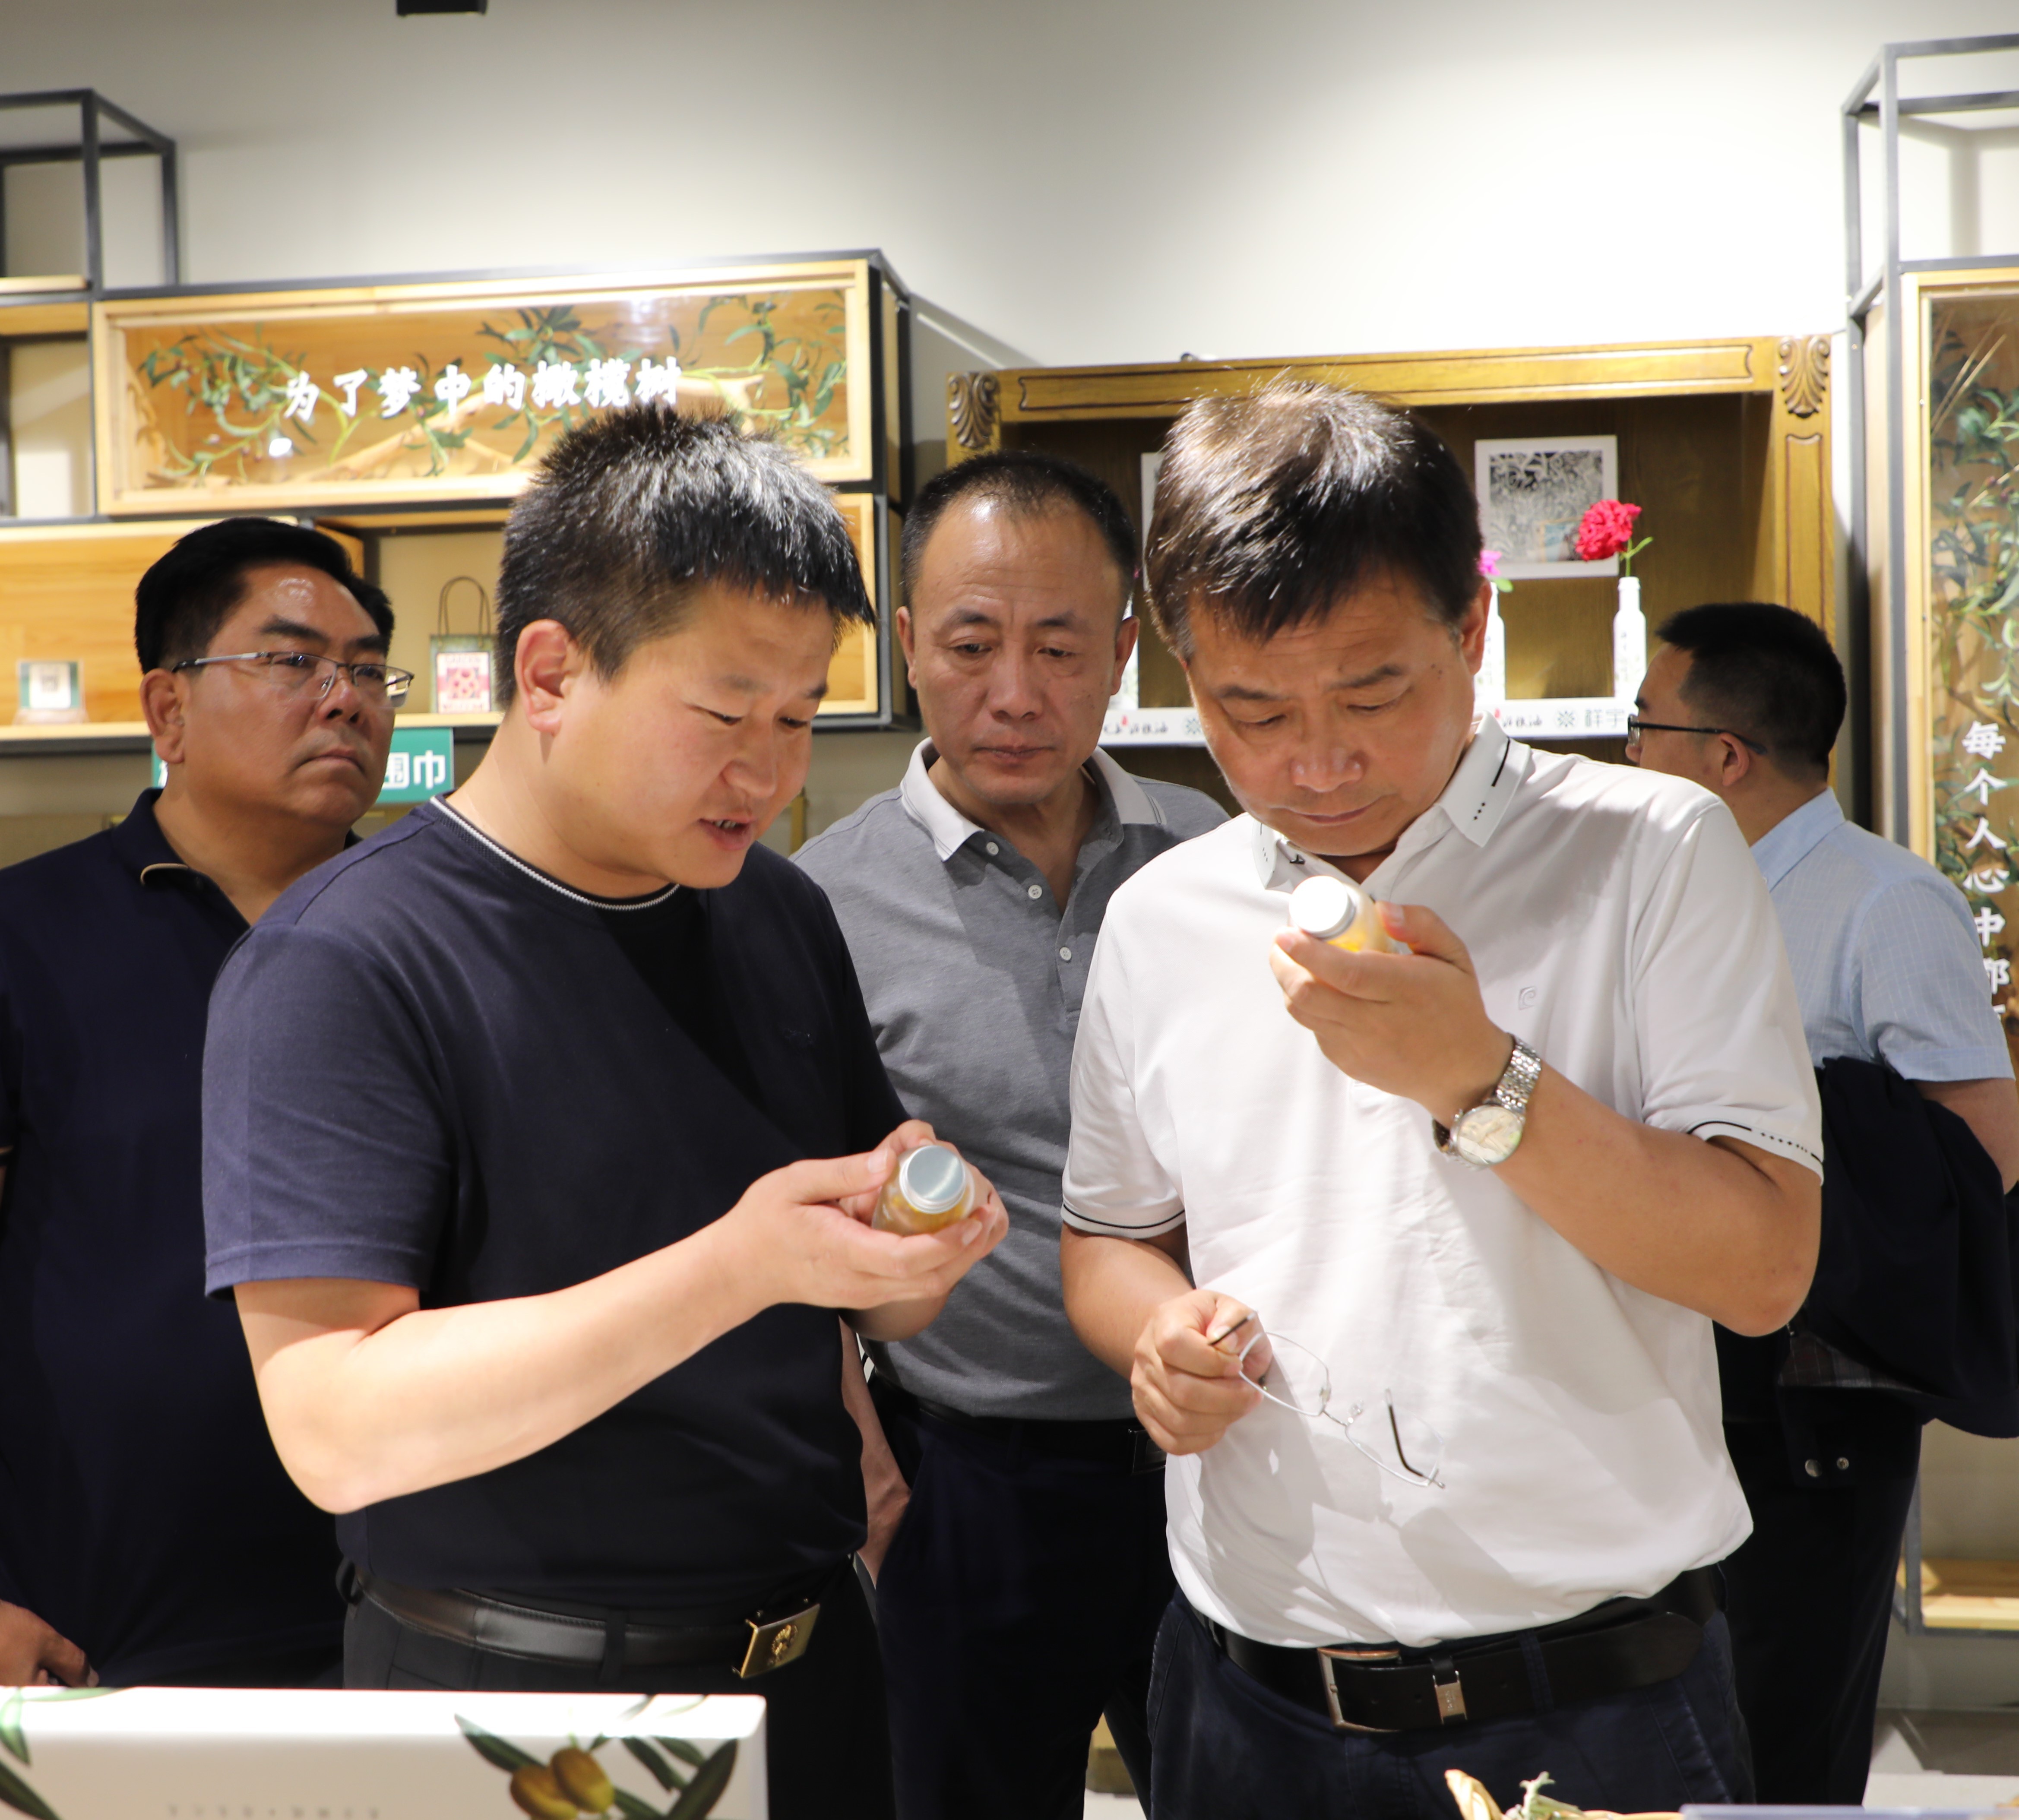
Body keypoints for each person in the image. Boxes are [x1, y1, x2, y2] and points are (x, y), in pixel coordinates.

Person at [201, 407, 1006, 1820]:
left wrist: (906, 1250)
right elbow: (333, 1421)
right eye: (725, 716)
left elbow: (868, 1303)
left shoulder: (775, 911)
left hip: (812, 1665)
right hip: (515, 1699)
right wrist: (739, 1264)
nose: (770, 771)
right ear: (551, 672)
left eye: (800, 718)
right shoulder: (345, 960)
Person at [1056, 382, 1826, 1820]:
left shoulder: (1651, 852)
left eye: (1372, 696)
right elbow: (1108, 1236)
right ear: (1181, 670)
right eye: (1250, 711)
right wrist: (1152, 1336)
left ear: (1470, 632)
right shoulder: (1162, 916)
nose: (1316, 762)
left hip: (1589, 1702)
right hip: (1247, 1698)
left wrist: (1478, 1079)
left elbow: (1763, 1268)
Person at [797, 451, 1225, 1820]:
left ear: (1123, 653)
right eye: (973, 644)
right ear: (908, 644)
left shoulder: (1214, 857)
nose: (1017, 693)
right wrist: (858, 1447)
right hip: (968, 1477)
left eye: (1059, 646)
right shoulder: (818, 901)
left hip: (1221, 1456)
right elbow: (788, 1211)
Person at [0, 518, 400, 1687]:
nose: (343, 698)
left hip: (416, 1610)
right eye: (291, 661)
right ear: (167, 710)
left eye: (368, 670)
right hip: (100, 1622)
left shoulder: (432, 937)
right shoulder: (27, 934)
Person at [1631, 602, 2019, 1804]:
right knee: (1680, 1724)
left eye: (1642, 726)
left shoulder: (1882, 900)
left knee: (1785, 1729)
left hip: (1812, 1389)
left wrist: (1774, 1144)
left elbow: (1983, 1146)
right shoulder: (1676, 892)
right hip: (1674, 1361)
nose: (1626, 752)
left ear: (1723, 755)